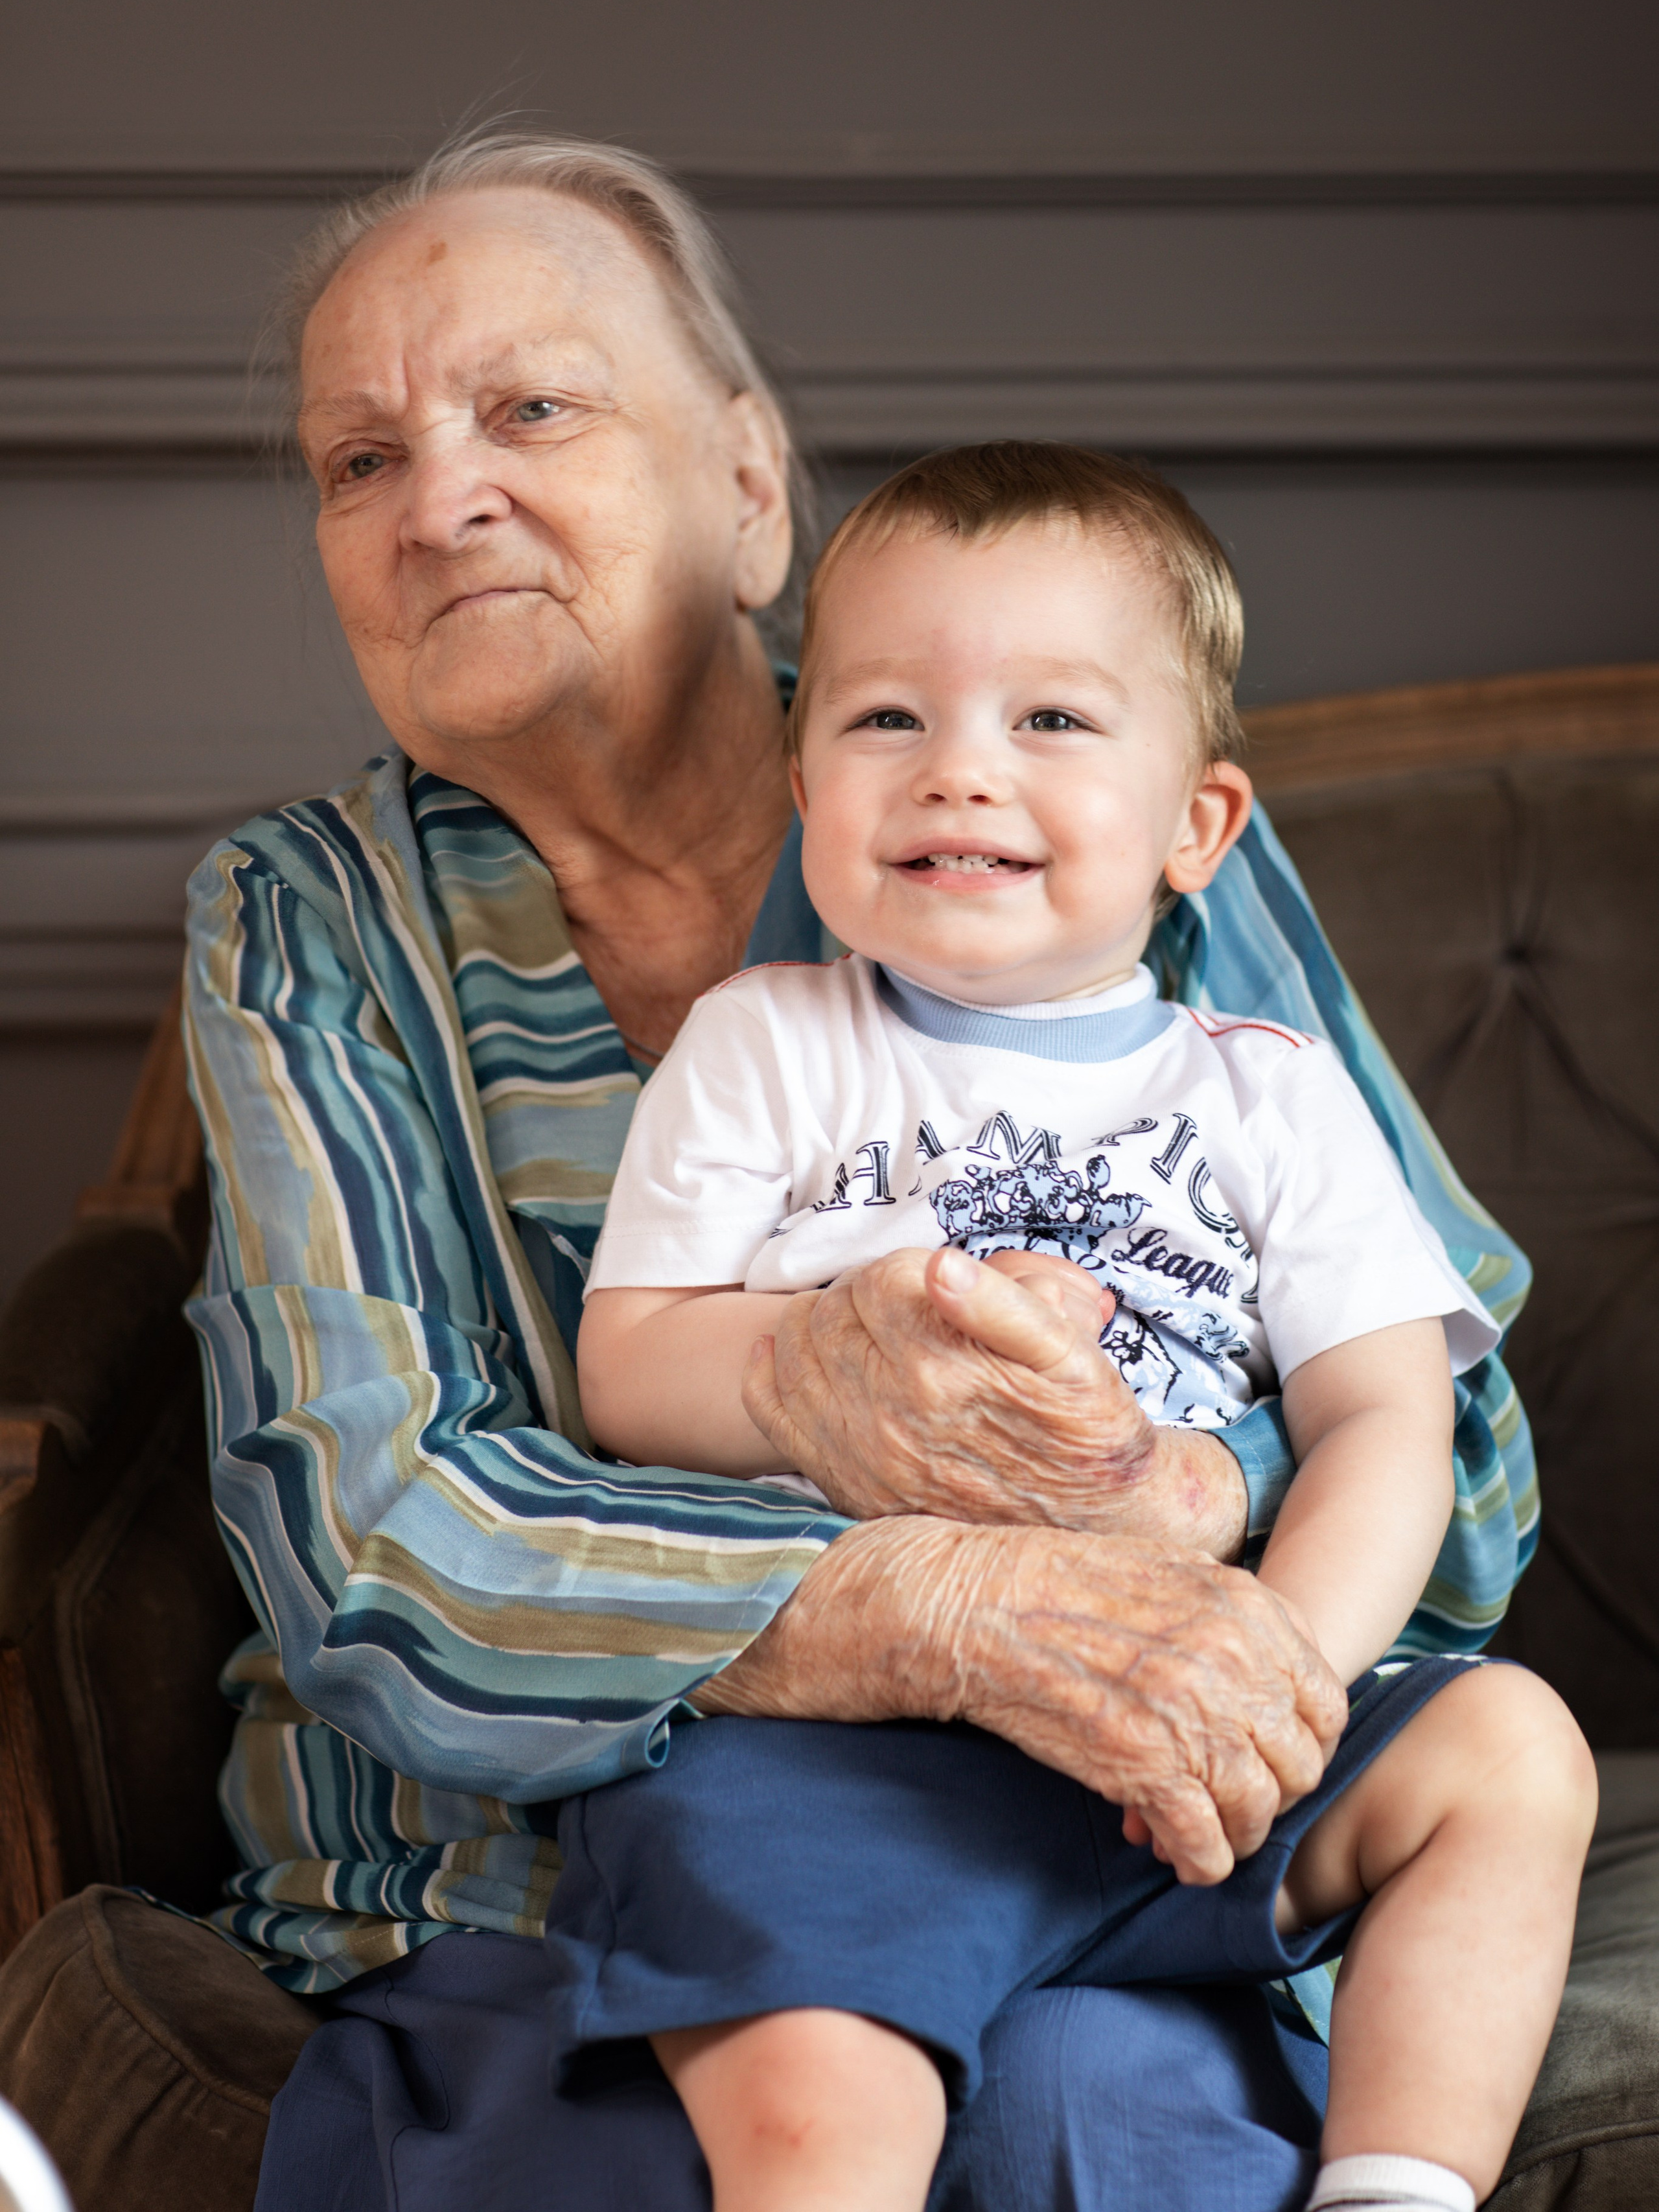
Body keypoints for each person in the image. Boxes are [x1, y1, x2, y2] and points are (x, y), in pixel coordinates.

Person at [179, 130, 1541, 2211]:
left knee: (1113, 2124)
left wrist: (1169, 1495)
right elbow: (369, 1539)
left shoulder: (1079, 791)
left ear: (749, 487)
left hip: (1120, 1825)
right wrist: (929, 1591)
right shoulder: (306, 920)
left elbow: (1453, 1444)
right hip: (531, 1885)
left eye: (530, 409)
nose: (439, 498)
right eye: (358, 462)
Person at [574, 441, 1596, 2212]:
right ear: (808, 785)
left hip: (1199, 1750)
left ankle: (1402, 2189)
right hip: (853, 1764)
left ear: (1199, 825)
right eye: (887, 718)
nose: (960, 767)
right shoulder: (766, 1044)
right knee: (813, 2107)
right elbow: (629, 1363)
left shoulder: (1267, 1095)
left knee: (1516, 1755)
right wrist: (806, 1375)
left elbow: (1380, 1420)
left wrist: (1285, 1674)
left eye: (1051, 719)